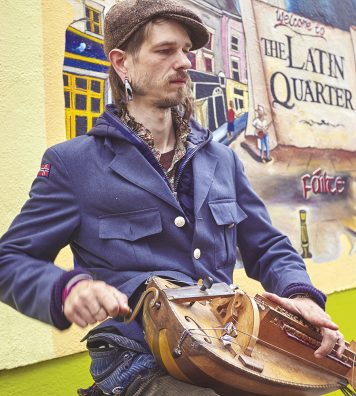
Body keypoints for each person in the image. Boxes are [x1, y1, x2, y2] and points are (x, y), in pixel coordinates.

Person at [0, 1, 345, 395]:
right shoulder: (72, 164)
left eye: (186, 51)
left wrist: (299, 295)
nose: (183, 62)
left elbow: (267, 246)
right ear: (121, 63)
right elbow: (11, 260)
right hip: (136, 362)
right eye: (165, 51)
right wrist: (68, 289)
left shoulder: (222, 159)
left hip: (228, 351)